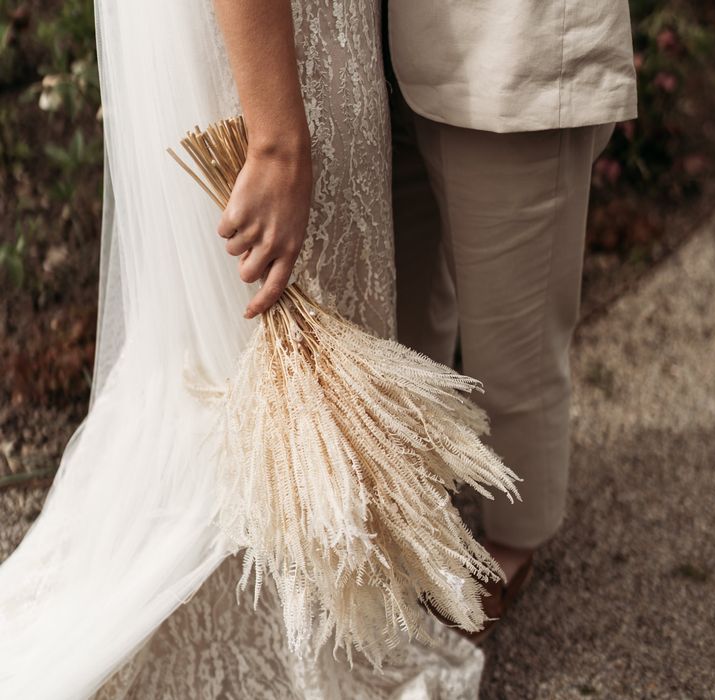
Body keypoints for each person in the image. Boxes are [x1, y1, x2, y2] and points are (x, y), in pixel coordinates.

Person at [0, 0, 485, 697]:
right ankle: (293, 614)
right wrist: (277, 141)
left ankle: (306, 586)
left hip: (240, 46)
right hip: (272, 59)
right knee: (261, 343)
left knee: (216, 354)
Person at [384, 0, 638, 637]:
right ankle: (415, 489)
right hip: (374, 46)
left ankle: (517, 535)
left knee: (512, 330)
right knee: (403, 313)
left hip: (509, 45)